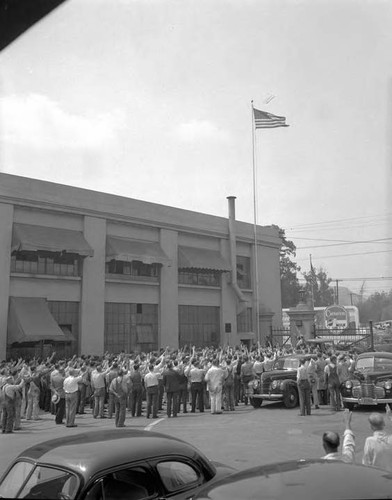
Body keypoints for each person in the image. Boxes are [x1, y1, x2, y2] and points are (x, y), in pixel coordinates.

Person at [362, 405, 392, 471]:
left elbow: (366, 461)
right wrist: (390, 417)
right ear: (384, 424)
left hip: (377, 475)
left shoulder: (370, 441)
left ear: (371, 427)